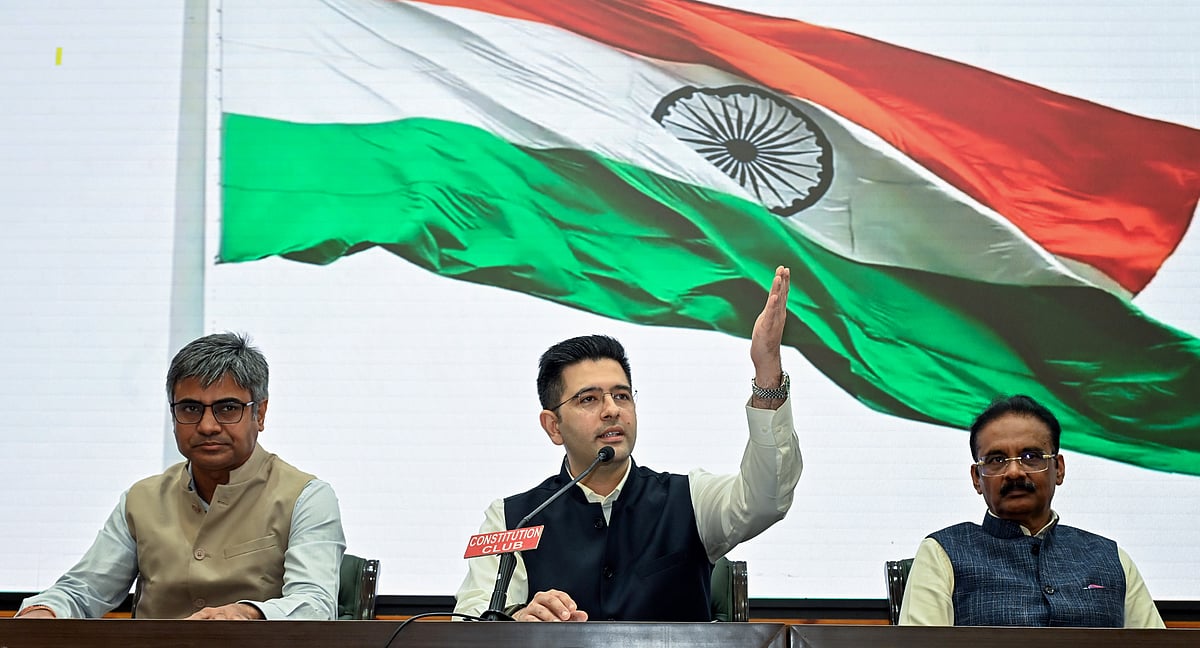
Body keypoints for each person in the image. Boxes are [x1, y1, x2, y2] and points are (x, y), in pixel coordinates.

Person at [454, 266, 802, 622]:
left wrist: (767, 372)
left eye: (621, 395)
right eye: (589, 399)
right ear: (553, 426)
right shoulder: (513, 519)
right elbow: (470, 620)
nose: (612, 410)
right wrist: (516, 619)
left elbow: (766, 499)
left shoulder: (690, 499)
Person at [15, 332, 346, 620]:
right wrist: (44, 612)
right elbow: (83, 591)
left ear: (259, 413)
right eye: (190, 408)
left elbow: (314, 605)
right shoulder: (142, 500)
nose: (207, 426)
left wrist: (245, 613)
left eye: (227, 408)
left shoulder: (305, 497)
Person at [899, 394, 1164, 627]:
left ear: (1059, 469)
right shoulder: (942, 553)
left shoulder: (1111, 558)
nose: (1014, 472)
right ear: (977, 478)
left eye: (1031, 457)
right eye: (997, 459)